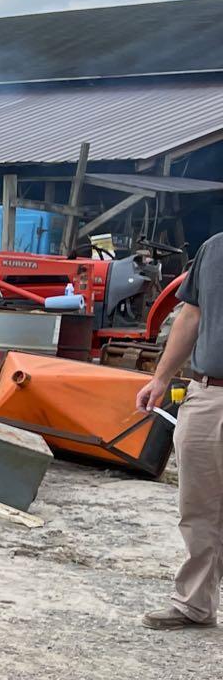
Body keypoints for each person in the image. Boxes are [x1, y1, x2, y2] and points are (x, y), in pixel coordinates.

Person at [137, 233, 223, 629]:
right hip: (209, 393)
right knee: (199, 506)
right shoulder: (214, 248)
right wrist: (160, 378)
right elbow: (191, 314)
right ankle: (195, 603)